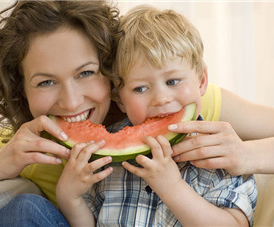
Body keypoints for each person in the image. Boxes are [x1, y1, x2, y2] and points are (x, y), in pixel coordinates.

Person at [0, 0, 274, 226]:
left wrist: (245, 155)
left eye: (86, 73)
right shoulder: (26, 139)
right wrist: (1, 163)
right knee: (22, 209)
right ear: (20, 89)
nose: (70, 100)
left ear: (111, 69)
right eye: (46, 82)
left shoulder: (185, 106)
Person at [56, 5, 257, 226]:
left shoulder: (220, 155)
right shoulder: (104, 157)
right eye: (140, 88)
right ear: (120, 100)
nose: (161, 98)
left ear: (201, 81)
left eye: (172, 82)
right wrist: (69, 198)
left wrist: (172, 188)